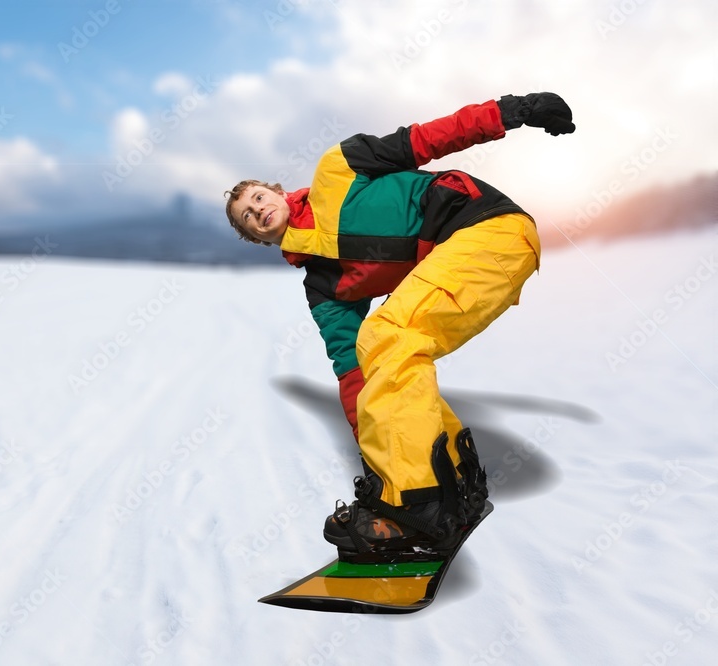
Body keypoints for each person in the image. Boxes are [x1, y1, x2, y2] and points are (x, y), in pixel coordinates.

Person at [225, 93, 575, 562]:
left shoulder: (339, 168)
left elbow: (428, 138)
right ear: (255, 238)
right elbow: (354, 376)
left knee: (388, 335)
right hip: (467, 257)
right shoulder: (325, 288)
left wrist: (514, 111)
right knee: (383, 352)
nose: (257, 210)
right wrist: (375, 459)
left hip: (488, 228)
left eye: (258, 197)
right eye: (247, 217)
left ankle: (418, 505)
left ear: (278, 190)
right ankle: (454, 481)